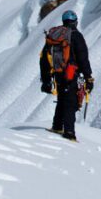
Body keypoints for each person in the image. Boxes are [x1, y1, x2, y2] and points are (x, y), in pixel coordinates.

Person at [40, 10, 94, 141]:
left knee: (63, 98)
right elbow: (83, 58)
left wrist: (46, 80)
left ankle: (57, 125)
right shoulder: (76, 36)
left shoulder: (54, 36)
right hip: (71, 73)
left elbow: (44, 59)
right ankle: (69, 132)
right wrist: (88, 77)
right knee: (71, 102)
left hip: (57, 74)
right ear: (75, 22)